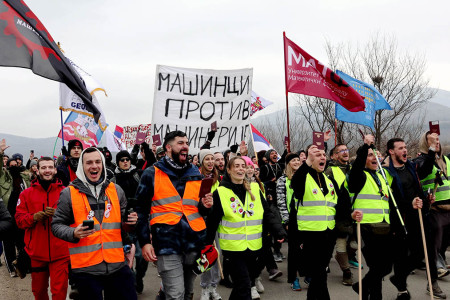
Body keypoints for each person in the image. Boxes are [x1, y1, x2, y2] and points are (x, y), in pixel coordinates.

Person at [51, 147, 138, 300]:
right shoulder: (68, 193)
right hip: (86, 270)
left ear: (103, 164)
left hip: (117, 265)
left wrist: (131, 222)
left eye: (98, 162)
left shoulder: (116, 190)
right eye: (89, 162)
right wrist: (73, 233)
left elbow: (123, 225)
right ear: (82, 166)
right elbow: (56, 225)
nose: (94, 166)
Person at [136, 130, 213, 300]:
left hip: (193, 241)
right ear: (168, 147)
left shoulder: (195, 172)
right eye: (180, 143)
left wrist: (205, 205)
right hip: (167, 243)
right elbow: (140, 211)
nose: (185, 146)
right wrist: (144, 243)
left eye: (186, 142)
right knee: (176, 294)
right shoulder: (151, 173)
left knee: (187, 292)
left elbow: (197, 208)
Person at [206, 156, 286, 300]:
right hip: (233, 249)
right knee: (244, 286)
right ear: (229, 170)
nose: (240, 169)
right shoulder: (221, 192)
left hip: (254, 247)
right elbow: (213, 221)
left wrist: (278, 231)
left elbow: (267, 213)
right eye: (236, 166)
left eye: (243, 166)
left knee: (241, 286)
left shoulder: (255, 188)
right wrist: (205, 245)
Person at [290, 145, 357, 300]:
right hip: (309, 234)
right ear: (310, 159)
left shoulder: (329, 180)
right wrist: (307, 162)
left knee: (320, 274)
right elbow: (296, 184)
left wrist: (351, 214)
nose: (322, 157)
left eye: (323, 155)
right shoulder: (303, 177)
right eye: (317, 155)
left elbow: (340, 204)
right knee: (319, 273)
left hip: (328, 234)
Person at [15, 157, 69, 300]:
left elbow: (74, 219)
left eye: (50, 167)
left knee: (59, 292)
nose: (47, 170)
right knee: (39, 292)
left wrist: (59, 215)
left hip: (60, 252)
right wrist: (33, 218)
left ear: (55, 170)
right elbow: (19, 220)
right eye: (43, 168)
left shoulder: (66, 192)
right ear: (37, 170)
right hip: (36, 252)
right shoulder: (26, 194)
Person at [348, 134, 393, 300]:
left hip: (384, 227)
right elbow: (357, 167)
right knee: (376, 266)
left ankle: (362, 286)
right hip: (366, 227)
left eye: (376, 154)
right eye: (370, 155)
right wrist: (365, 147)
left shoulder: (382, 176)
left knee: (384, 266)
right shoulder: (359, 176)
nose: (374, 157)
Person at [383, 138, 428, 300]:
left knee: (420, 253)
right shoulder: (386, 172)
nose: (405, 150)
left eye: (405, 147)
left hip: (416, 216)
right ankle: (402, 289)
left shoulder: (410, 166)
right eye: (400, 148)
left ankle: (398, 278)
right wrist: (409, 203)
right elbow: (391, 199)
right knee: (400, 256)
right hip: (398, 219)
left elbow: (419, 183)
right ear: (391, 151)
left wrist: (425, 199)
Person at [415, 131, 449, 299]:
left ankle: (440, 262)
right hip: (434, 210)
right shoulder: (421, 160)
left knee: (442, 246)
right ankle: (432, 283)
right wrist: (430, 151)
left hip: (449, 210)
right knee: (433, 249)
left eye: (437, 140)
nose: (437, 142)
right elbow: (424, 170)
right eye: (432, 140)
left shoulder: (447, 160)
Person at [112, 150, 148, 294]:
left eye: (127, 159)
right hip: (122, 223)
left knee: (141, 257)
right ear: (118, 162)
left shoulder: (138, 174)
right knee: (127, 258)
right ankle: (132, 282)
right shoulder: (113, 179)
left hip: (140, 221)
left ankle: (139, 277)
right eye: (122, 160)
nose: (125, 161)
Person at [325, 144, 355, 286]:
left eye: (346, 150)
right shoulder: (330, 171)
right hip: (340, 214)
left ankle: (341, 257)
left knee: (355, 244)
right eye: (341, 150)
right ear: (335, 155)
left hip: (357, 213)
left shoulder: (355, 169)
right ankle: (346, 271)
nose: (345, 152)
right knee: (341, 242)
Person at [0, 139, 31, 277]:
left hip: (21, 215)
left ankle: (22, 265)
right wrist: (1, 153)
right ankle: (11, 269)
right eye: (10, 165)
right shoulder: (4, 177)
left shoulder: (24, 179)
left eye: (16, 164)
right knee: (8, 244)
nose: (14, 167)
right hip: (7, 215)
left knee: (23, 242)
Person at [276, 153, 304, 291]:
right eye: (293, 160)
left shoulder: (305, 177)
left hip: (306, 219)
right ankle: (294, 278)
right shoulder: (282, 180)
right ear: (288, 163)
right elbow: (281, 201)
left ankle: (307, 274)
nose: (296, 162)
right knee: (294, 251)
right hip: (292, 220)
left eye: (298, 160)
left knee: (306, 249)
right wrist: (286, 220)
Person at [198, 149, 222, 300]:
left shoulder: (219, 178)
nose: (210, 161)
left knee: (217, 254)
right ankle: (205, 287)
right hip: (202, 221)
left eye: (212, 159)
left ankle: (214, 286)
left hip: (217, 222)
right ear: (201, 161)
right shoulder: (196, 177)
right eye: (207, 159)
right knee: (205, 256)